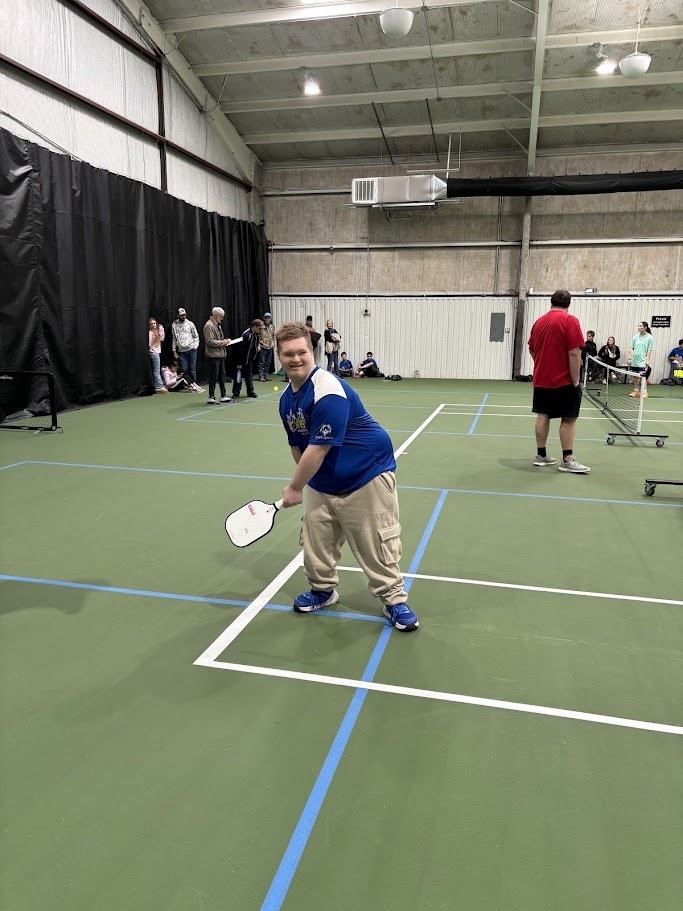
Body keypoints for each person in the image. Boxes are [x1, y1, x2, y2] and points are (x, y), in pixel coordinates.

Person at [276, 321, 418, 632]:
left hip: (366, 472)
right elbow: (297, 446)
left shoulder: (328, 389)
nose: (296, 359)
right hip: (323, 480)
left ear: (311, 352)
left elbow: (318, 450)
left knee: (376, 543)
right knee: (316, 540)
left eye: (301, 352)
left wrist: (294, 488)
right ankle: (322, 590)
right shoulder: (287, 399)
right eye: (288, 354)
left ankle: (394, 600)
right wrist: (310, 484)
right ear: (279, 355)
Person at [527, 289, 590, 474]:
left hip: (541, 379)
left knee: (543, 414)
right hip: (564, 381)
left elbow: (532, 350)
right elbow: (574, 352)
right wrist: (576, 379)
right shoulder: (570, 321)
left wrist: (543, 365)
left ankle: (541, 456)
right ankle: (567, 459)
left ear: (551, 302)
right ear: (568, 304)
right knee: (569, 418)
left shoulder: (539, 322)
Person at [203, 307, 232, 404]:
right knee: (213, 377)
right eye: (221, 316)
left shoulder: (217, 325)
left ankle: (223, 395)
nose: (222, 319)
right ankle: (211, 396)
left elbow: (219, 339)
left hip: (220, 355)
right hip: (213, 356)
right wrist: (224, 342)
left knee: (222, 376)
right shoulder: (209, 326)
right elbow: (210, 342)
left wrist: (224, 342)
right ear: (216, 315)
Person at [232, 319, 263, 398]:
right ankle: (236, 392)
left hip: (249, 360)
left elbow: (255, 344)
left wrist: (257, 347)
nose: (261, 330)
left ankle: (250, 392)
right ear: (254, 327)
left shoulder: (256, 335)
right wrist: (239, 362)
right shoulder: (246, 335)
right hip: (241, 360)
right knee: (238, 376)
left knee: (249, 375)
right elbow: (240, 349)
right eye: (259, 328)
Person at [171, 308, 200, 387]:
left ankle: (194, 385)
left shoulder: (190, 324)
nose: (183, 316)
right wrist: (174, 351)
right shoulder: (174, 325)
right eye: (181, 315)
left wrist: (195, 346)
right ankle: (188, 384)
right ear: (178, 315)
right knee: (184, 369)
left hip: (191, 349)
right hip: (181, 351)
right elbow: (174, 338)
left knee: (192, 368)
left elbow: (196, 336)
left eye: (184, 315)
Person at [627, 321, 654, 399]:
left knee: (643, 376)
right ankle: (635, 391)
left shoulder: (650, 338)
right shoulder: (635, 337)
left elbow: (650, 350)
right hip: (634, 360)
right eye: (638, 326)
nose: (638, 327)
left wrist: (647, 360)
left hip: (643, 360)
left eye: (640, 326)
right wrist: (629, 358)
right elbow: (632, 348)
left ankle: (645, 392)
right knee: (635, 376)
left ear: (645, 327)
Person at [148, 318, 167, 394]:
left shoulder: (157, 333)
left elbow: (162, 338)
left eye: (154, 323)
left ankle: (158, 386)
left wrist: (161, 329)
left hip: (156, 353)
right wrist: (151, 350)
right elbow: (149, 344)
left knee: (156, 370)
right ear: (149, 326)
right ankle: (159, 387)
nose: (153, 325)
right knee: (156, 370)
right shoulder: (150, 333)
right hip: (154, 353)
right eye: (151, 324)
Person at [257, 312, 276, 381]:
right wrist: (258, 345)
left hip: (270, 347)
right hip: (263, 346)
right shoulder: (261, 327)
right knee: (262, 362)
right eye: (266, 318)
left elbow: (273, 336)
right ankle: (261, 376)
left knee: (268, 362)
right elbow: (258, 337)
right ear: (264, 318)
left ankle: (266, 375)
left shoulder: (272, 327)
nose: (267, 319)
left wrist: (273, 344)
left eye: (269, 318)